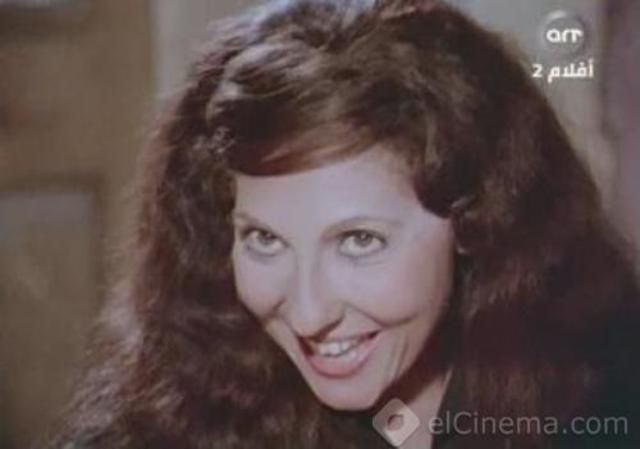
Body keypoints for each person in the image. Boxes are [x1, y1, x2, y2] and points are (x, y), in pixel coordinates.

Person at [47, 0, 640, 448]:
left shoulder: (606, 397)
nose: (308, 315)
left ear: (476, 221)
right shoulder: (173, 418)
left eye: (359, 241)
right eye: (264, 239)